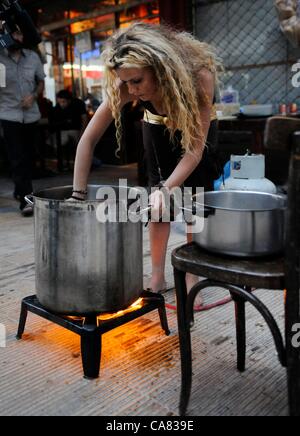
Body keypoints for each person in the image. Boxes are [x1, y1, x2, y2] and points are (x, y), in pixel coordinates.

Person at [71, 23, 222, 307]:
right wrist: (77, 196)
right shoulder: (126, 86)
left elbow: (193, 151)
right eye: (125, 82)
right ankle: (157, 277)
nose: (131, 89)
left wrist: (168, 188)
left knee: (194, 196)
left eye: (137, 81)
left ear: (160, 68)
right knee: (157, 198)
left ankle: (192, 276)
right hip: (155, 125)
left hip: (196, 134)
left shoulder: (199, 76)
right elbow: (88, 140)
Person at [0, 28, 45, 216]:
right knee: (18, 158)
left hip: (31, 115)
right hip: (8, 114)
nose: (18, 37)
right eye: (15, 34)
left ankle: (20, 190)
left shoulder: (33, 57)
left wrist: (33, 96)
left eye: (20, 34)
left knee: (29, 157)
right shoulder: (0, 61)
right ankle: (26, 201)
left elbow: (41, 81)